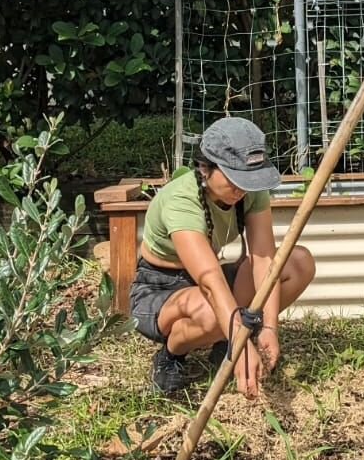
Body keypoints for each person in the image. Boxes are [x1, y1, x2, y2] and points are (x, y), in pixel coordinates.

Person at [129, 116, 315, 397]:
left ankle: (223, 343)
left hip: (209, 282)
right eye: (234, 180)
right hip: (161, 288)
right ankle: (171, 355)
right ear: (205, 169)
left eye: (249, 180)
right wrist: (240, 345)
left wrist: (269, 327)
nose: (241, 190)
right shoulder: (181, 200)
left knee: (298, 262)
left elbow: (265, 259)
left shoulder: (249, 193)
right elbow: (210, 281)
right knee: (212, 313)